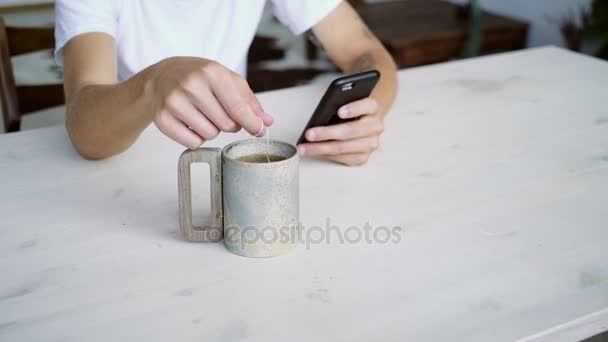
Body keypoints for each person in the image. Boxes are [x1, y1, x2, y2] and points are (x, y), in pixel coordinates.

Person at [55, 0, 397, 166]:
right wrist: (154, 84)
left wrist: (363, 114)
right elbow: (86, 131)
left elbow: (363, 49)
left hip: (230, 149)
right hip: (126, 158)